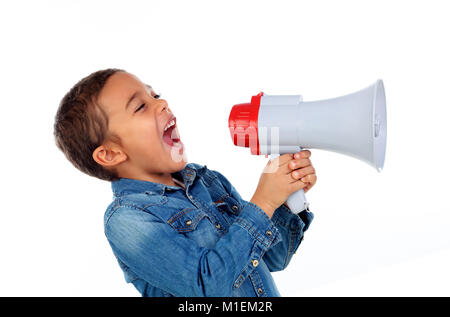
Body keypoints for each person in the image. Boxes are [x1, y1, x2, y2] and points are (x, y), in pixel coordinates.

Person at [53, 68, 317, 297]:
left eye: (154, 95)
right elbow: (207, 287)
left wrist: (285, 201)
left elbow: (272, 257)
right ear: (110, 154)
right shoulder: (126, 219)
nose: (162, 102)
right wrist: (264, 202)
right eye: (140, 106)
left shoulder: (206, 181)